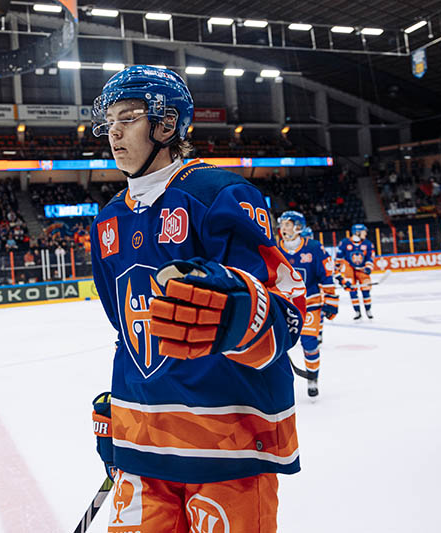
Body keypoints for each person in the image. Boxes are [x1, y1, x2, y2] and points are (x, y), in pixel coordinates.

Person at [88, 65, 306, 532]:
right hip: (143, 440)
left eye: (128, 117)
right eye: (109, 121)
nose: (114, 132)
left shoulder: (219, 194)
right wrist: (123, 405)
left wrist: (249, 313)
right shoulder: (107, 220)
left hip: (228, 444)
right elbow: (127, 330)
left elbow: (287, 308)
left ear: (167, 124)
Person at [277, 212, 338, 399]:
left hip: (309, 302)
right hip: (283, 304)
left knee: (310, 343)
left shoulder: (313, 247)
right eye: (282, 224)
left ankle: (312, 378)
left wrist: (331, 300)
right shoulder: (275, 248)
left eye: (288, 224)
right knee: (276, 344)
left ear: (298, 227)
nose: (283, 228)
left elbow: (326, 275)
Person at [336, 223, 376, 319]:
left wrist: (368, 268)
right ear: (357, 233)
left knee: (366, 290)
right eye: (363, 232)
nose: (365, 233)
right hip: (349, 269)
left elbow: (370, 258)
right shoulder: (344, 243)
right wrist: (338, 274)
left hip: (362, 269)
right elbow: (338, 259)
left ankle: (368, 309)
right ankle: (357, 311)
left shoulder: (368, 244)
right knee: (352, 290)